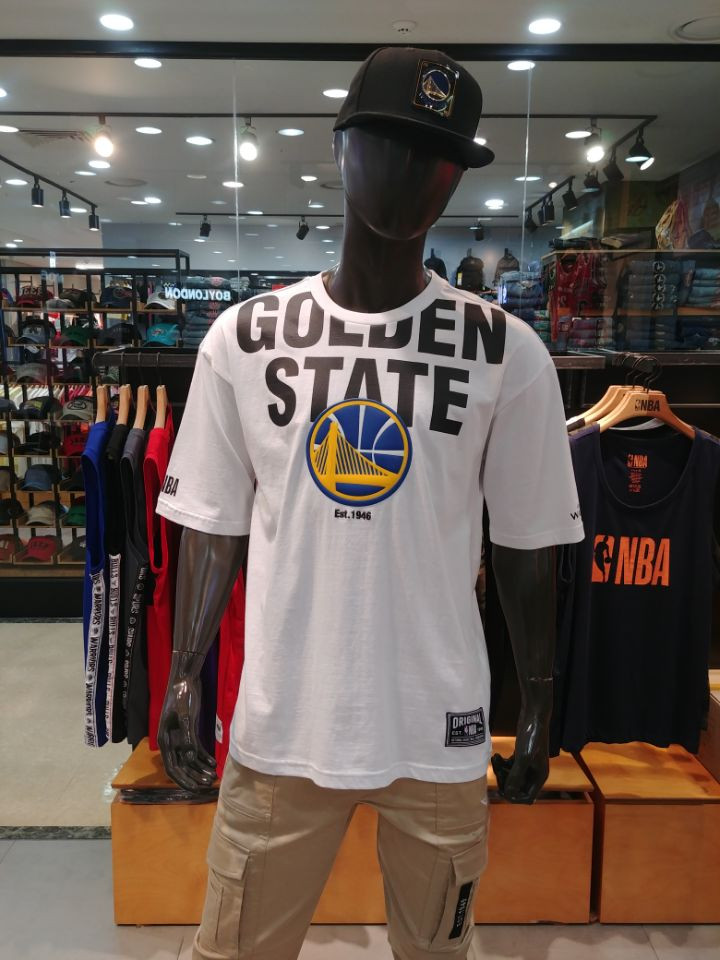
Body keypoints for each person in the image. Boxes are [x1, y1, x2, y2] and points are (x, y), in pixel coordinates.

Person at [156, 46, 584, 960]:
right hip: (282, 725)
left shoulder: (507, 352)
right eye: (389, 140)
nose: (413, 171)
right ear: (341, 145)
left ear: (456, 177)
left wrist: (539, 702)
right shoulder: (244, 339)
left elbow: (527, 544)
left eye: (441, 156)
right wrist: (184, 673)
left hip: (440, 731)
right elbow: (213, 525)